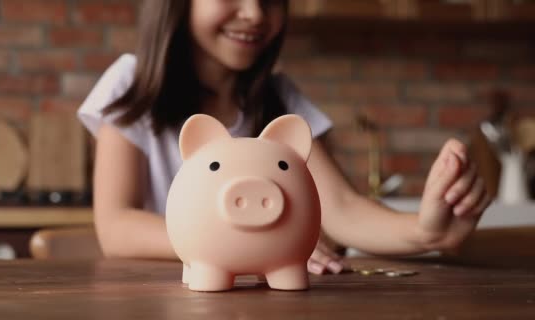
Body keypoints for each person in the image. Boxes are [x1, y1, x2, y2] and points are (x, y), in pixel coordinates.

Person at [78, 0, 491, 275]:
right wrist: (255, 243)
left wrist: (426, 232)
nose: (256, 13)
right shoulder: (131, 85)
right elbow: (117, 227)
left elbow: (343, 210)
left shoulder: (280, 97)